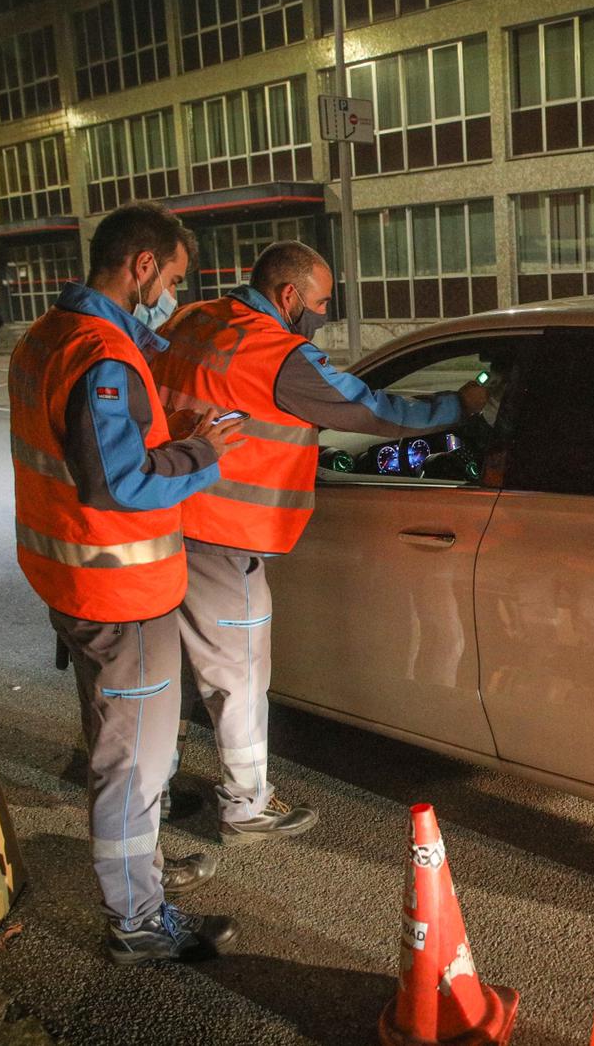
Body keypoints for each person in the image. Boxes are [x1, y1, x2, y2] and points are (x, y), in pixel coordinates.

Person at [149, 240, 485, 845]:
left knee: (165, 670)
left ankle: (159, 791)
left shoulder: (194, 319)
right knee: (238, 679)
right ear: (289, 296)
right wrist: (458, 406)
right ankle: (247, 807)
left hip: (157, 517)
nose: (324, 315)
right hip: (221, 535)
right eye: (322, 303)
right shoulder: (277, 354)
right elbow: (373, 412)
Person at [8, 202, 245, 965]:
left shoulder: (48, 335)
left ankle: (140, 878)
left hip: (74, 583)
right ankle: (138, 921)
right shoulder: (102, 357)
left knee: (116, 747)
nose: (173, 293)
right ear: (142, 266)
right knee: (133, 769)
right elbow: (119, 484)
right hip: (122, 596)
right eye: (172, 278)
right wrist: (202, 453)